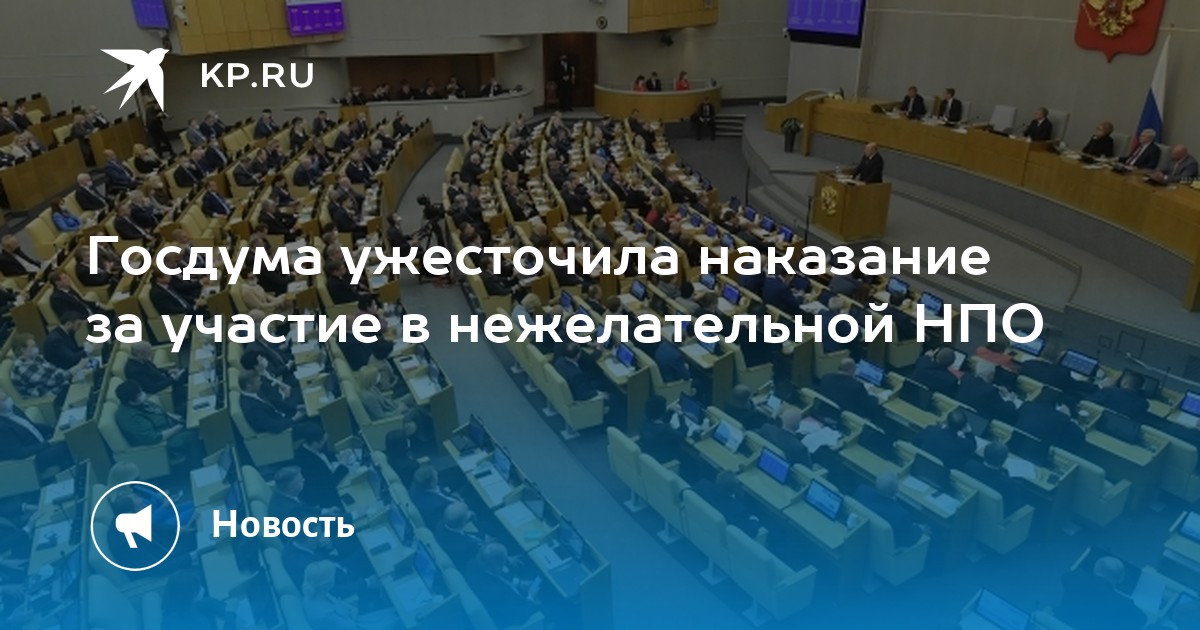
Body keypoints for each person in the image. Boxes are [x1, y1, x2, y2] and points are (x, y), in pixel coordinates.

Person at [114, 380, 199, 467]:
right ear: (130, 401)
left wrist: (175, 417)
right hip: (164, 442)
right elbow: (153, 438)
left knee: (190, 409)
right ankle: (198, 465)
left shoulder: (138, 403)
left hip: (169, 425)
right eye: (139, 394)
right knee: (193, 434)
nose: (143, 394)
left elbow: (158, 412)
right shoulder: (132, 418)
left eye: (141, 391)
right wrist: (177, 428)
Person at [301, 560, 401, 630]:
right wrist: (353, 611)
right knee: (397, 619)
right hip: (356, 625)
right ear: (328, 583)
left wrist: (350, 612)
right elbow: (350, 626)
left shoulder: (315, 593)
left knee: (394, 612)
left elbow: (340, 605)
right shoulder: (324, 614)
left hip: (351, 618)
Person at [1056, 556, 1146, 630]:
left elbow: (1065, 577)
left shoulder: (1075, 578)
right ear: (1121, 579)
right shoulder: (1124, 604)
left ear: (1094, 570)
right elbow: (1142, 619)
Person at [466, 543, 541, 628]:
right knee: (541, 581)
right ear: (497, 567)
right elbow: (519, 616)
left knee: (535, 575)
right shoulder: (498, 594)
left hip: (508, 594)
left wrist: (518, 583)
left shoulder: (473, 563)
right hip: (521, 606)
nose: (505, 563)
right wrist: (531, 597)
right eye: (504, 561)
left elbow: (496, 576)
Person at [0, 390, 72, 474]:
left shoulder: (12, 408)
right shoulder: (1, 427)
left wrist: (54, 427)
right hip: (31, 459)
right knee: (66, 446)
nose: (7, 399)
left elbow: (30, 425)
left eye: (6, 396)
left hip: (41, 444)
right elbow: (19, 452)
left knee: (70, 434)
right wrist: (49, 443)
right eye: (3, 400)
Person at [853, 473, 923, 547]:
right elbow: (907, 541)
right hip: (890, 544)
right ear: (896, 490)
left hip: (865, 533)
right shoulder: (900, 515)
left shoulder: (861, 490)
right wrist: (920, 529)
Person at [293, 422, 352, 509]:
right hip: (322, 498)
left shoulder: (306, 446)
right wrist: (343, 465)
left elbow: (323, 454)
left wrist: (337, 455)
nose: (324, 443)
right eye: (323, 441)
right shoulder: (308, 462)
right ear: (315, 443)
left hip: (327, 484)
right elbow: (329, 483)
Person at [9, 333, 77, 401]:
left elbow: (53, 369)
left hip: (58, 387)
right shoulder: (22, 367)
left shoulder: (35, 358)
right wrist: (72, 371)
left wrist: (69, 374)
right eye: (33, 346)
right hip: (49, 397)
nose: (36, 348)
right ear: (23, 350)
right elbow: (51, 381)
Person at [964, 441, 1024, 514]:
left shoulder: (969, 465)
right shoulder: (1008, 484)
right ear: (1004, 461)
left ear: (984, 454)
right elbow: (1011, 505)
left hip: (970, 506)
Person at [693, 470, 761, 535]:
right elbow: (752, 531)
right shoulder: (738, 511)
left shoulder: (702, 485)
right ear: (735, 489)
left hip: (699, 522)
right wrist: (755, 519)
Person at [1016, 390, 1085, 453]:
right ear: (1058, 406)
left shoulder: (1026, 406)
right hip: (1040, 456)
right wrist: (1067, 417)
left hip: (1015, 448)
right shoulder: (1064, 421)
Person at [124, 341, 186, 409]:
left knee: (186, 372)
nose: (150, 355)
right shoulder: (134, 371)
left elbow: (154, 369)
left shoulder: (142, 359)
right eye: (148, 353)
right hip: (161, 390)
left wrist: (168, 371)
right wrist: (172, 378)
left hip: (163, 380)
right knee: (186, 391)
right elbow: (153, 387)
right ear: (140, 354)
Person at [436, 502, 486, 566]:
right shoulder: (466, 547)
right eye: (468, 513)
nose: (470, 512)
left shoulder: (441, 524)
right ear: (463, 523)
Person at [640, 396, 685, 463]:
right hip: (665, 458)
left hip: (650, 452)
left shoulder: (644, 420)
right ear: (663, 411)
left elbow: (660, 421)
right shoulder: (665, 430)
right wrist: (680, 415)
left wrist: (670, 411)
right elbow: (682, 435)